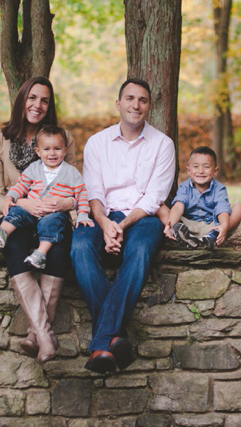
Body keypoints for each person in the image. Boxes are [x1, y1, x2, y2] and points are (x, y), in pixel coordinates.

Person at [71, 78, 176, 374]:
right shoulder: (97, 143)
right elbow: (94, 193)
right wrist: (105, 224)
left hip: (142, 218)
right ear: (118, 104)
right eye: (130, 99)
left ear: (149, 106)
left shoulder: (163, 144)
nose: (136, 105)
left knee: (141, 250)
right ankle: (115, 337)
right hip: (103, 215)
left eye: (142, 100)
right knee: (79, 247)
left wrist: (124, 225)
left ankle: (102, 342)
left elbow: (155, 197)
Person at [0, 76, 76, 363]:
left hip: (53, 218)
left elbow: (75, 186)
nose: (37, 105)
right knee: (12, 244)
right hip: (19, 216)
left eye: (44, 100)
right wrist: (22, 202)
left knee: (59, 249)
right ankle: (46, 337)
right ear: (22, 100)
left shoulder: (63, 139)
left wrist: (64, 203)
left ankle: (36, 336)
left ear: (49, 106)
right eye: (32, 97)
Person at [0, 125, 94, 269]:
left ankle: (40, 254)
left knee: (52, 224)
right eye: (47, 149)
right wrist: (10, 197)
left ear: (65, 150)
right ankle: (2, 233)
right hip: (31, 210)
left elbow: (81, 194)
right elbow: (21, 185)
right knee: (16, 212)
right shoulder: (34, 168)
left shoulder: (71, 173)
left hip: (54, 213)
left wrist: (83, 215)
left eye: (57, 149)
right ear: (38, 151)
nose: (52, 153)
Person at [164, 146, 241, 249]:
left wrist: (224, 225)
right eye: (196, 166)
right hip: (188, 227)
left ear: (215, 171)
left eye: (206, 167)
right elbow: (178, 206)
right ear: (188, 170)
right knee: (160, 208)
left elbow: (222, 208)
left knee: (239, 208)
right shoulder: (184, 187)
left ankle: (212, 238)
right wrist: (172, 223)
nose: (201, 171)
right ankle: (179, 234)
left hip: (212, 227)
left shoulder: (219, 188)